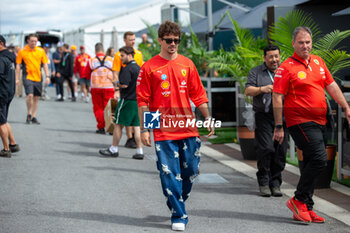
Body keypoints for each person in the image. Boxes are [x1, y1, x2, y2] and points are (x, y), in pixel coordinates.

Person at [137, 20, 214, 231]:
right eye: (169, 40)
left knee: (190, 171)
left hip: (188, 127)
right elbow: (144, 100)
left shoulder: (187, 64)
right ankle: (179, 215)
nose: (173, 44)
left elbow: (198, 94)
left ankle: (175, 200)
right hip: (163, 131)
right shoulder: (149, 67)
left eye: (176, 40)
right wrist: (145, 130)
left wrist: (207, 117)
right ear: (160, 40)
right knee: (169, 173)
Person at [273, 26, 350, 223]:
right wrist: (279, 126)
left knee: (310, 162)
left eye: (308, 42)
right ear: (293, 44)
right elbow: (277, 97)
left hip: (320, 121)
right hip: (299, 121)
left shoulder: (318, 61)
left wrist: (346, 106)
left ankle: (306, 206)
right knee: (319, 159)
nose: (305, 46)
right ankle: (298, 199)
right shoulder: (286, 67)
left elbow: (331, 85)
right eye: (301, 42)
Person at [245, 45, 288, 197]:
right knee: (266, 148)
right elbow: (248, 90)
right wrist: (263, 89)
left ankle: (275, 183)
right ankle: (264, 181)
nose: (274, 60)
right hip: (263, 115)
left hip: (283, 116)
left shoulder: (285, 71)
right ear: (264, 58)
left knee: (280, 151)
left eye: (276, 56)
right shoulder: (256, 72)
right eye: (270, 57)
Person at [99, 46, 143, 159]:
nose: (121, 58)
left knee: (118, 124)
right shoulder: (139, 68)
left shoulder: (127, 68)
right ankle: (140, 151)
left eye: (122, 56)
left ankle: (113, 149)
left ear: (129, 55)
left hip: (127, 100)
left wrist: (115, 83)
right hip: (137, 101)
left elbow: (124, 84)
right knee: (136, 127)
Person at [113, 31, 144, 148]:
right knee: (131, 120)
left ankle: (116, 147)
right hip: (125, 88)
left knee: (123, 119)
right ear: (125, 40)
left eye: (134, 39)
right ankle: (130, 138)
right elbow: (115, 72)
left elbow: (140, 73)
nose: (133, 41)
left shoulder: (139, 54)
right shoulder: (118, 55)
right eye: (130, 39)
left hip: (132, 91)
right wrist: (116, 89)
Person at [15, 34, 50, 124]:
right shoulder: (22, 51)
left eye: (35, 41)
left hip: (38, 77)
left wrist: (47, 76)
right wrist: (16, 78)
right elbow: (18, 65)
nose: (34, 43)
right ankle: (28, 114)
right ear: (28, 41)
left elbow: (45, 64)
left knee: (36, 98)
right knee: (29, 95)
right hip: (27, 76)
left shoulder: (41, 51)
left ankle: (33, 116)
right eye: (32, 41)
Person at [86, 42, 115, 134]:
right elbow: (116, 72)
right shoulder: (111, 60)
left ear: (95, 51)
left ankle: (101, 127)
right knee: (109, 107)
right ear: (103, 49)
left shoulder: (91, 60)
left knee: (98, 108)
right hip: (109, 86)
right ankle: (111, 127)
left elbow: (87, 74)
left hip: (96, 87)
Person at [0, 35, 20, 158]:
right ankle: (13, 144)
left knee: (1, 122)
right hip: (8, 92)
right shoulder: (9, 57)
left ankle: (6, 149)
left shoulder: (1, 59)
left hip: (1, 93)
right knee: (4, 120)